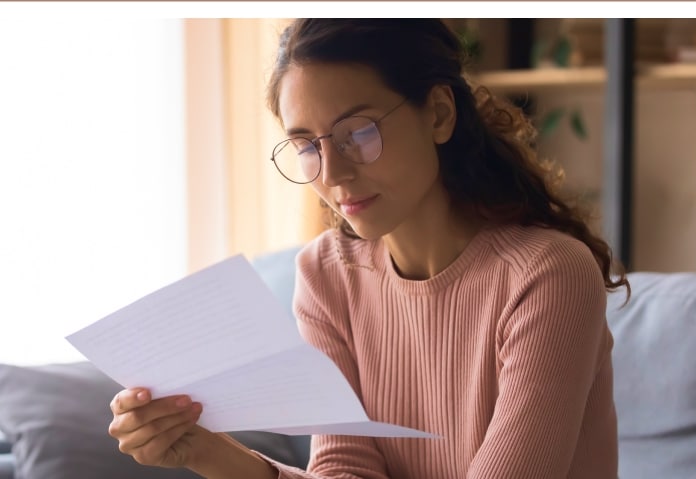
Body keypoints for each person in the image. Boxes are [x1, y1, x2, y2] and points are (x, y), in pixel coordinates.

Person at [107, 18, 629, 479]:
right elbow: (345, 471)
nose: (332, 173)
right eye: (307, 146)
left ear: (440, 114)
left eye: (358, 131)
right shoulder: (327, 275)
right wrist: (203, 449)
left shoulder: (546, 276)